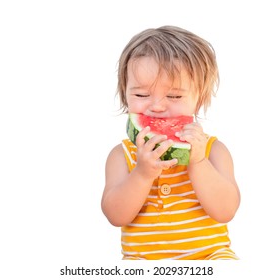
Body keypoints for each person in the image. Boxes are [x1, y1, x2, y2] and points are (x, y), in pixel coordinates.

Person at [101, 25, 240, 260]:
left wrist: (198, 161)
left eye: (174, 96)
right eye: (141, 95)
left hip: (208, 258)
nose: (156, 106)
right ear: (125, 94)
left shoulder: (213, 150)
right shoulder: (121, 155)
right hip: (143, 262)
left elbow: (225, 211)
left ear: (199, 100)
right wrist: (143, 174)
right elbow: (116, 216)